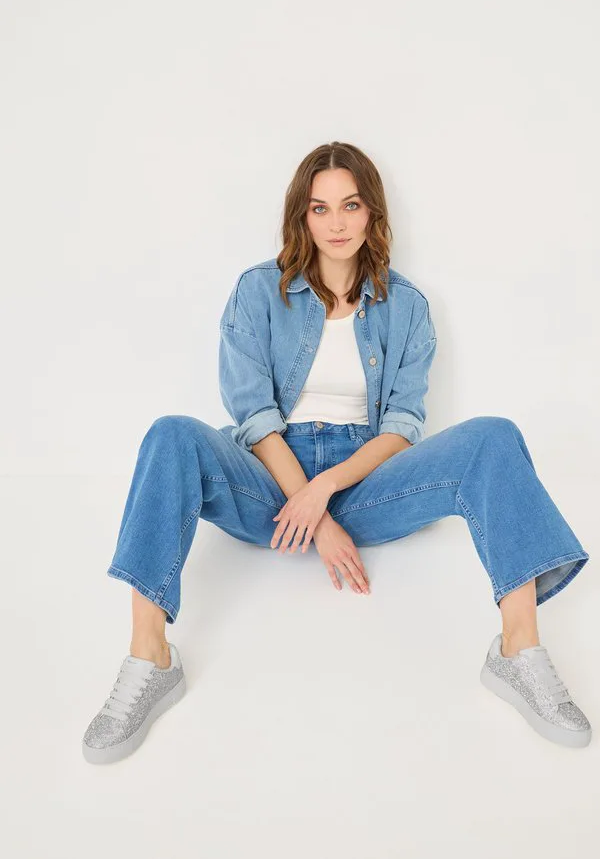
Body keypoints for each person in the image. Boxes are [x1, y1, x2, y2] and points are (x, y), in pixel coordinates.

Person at [82, 141, 592, 764]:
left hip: (366, 480)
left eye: (350, 205)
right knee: (170, 434)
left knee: (494, 435)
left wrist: (326, 492)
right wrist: (311, 511)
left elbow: (402, 426)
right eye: (319, 208)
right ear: (301, 216)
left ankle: (518, 649)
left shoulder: (407, 305)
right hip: (271, 481)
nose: (337, 223)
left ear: (372, 211)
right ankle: (150, 657)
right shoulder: (257, 291)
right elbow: (255, 419)